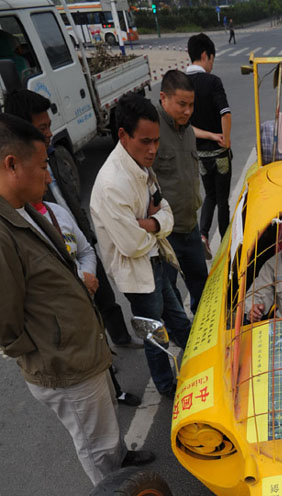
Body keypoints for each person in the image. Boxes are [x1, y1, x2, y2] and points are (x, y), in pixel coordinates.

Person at [0, 114, 153, 485]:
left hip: (81, 352)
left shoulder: (26, 211)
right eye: (41, 167)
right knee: (96, 448)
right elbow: (6, 325)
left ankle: (122, 472)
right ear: (11, 164)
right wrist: (49, 346)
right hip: (64, 365)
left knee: (105, 432)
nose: (49, 176)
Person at [3, 89, 142, 351]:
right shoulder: (20, 197)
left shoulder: (52, 155)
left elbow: (70, 200)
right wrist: (79, 277)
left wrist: (86, 260)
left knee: (105, 298)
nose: (48, 133)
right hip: (63, 279)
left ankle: (119, 339)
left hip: (79, 240)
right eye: (41, 127)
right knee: (85, 322)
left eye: (49, 126)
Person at [91, 95, 191, 398]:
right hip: (137, 275)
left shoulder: (141, 165)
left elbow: (166, 213)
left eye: (157, 141)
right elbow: (132, 244)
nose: (153, 150)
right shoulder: (112, 184)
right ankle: (165, 386)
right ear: (123, 135)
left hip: (157, 261)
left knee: (179, 322)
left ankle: (204, 364)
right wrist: (155, 222)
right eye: (145, 141)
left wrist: (150, 221)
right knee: (155, 335)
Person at [31, 199, 140, 406]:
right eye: (42, 167)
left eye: (46, 167)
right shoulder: (21, 226)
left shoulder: (56, 210)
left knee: (104, 317)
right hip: (67, 309)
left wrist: (88, 275)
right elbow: (46, 271)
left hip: (88, 285)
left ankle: (115, 388)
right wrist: (82, 279)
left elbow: (85, 250)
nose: (46, 178)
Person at [154, 70, 224, 314]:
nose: (187, 111)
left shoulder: (186, 128)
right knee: (168, 294)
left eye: (191, 105)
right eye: (181, 104)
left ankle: (201, 337)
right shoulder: (152, 131)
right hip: (165, 233)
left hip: (190, 226)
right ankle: (180, 337)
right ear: (163, 97)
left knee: (201, 287)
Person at [186, 33, 232, 258]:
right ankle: (225, 246)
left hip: (200, 154)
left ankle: (203, 234)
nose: (211, 65)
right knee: (223, 200)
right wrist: (223, 138)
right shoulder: (212, 82)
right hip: (220, 155)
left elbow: (187, 127)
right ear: (205, 55)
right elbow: (225, 113)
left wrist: (208, 137)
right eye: (211, 59)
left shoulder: (182, 83)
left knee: (210, 195)